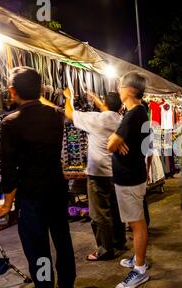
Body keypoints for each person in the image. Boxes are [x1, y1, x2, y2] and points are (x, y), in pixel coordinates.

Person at [0, 67, 76, 288]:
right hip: (57, 188)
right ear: (40, 90)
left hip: (31, 196)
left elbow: (9, 168)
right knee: (62, 238)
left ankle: (45, 287)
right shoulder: (55, 116)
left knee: (38, 248)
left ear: (12, 90)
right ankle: (67, 285)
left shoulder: (11, 122)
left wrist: (7, 203)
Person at [41, 90, 127, 261]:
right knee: (116, 210)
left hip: (99, 173)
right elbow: (108, 109)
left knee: (99, 213)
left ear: (105, 104)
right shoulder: (121, 120)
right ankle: (119, 242)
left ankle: (105, 250)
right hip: (117, 173)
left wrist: (68, 98)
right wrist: (96, 98)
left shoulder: (97, 119)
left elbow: (69, 113)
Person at [107, 72, 150, 288]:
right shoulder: (138, 112)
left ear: (130, 89)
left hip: (130, 178)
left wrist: (116, 140)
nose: (118, 88)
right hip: (133, 175)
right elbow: (116, 142)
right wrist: (117, 140)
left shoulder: (134, 114)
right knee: (136, 221)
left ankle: (140, 269)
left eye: (120, 85)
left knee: (136, 223)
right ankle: (138, 258)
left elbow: (110, 144)